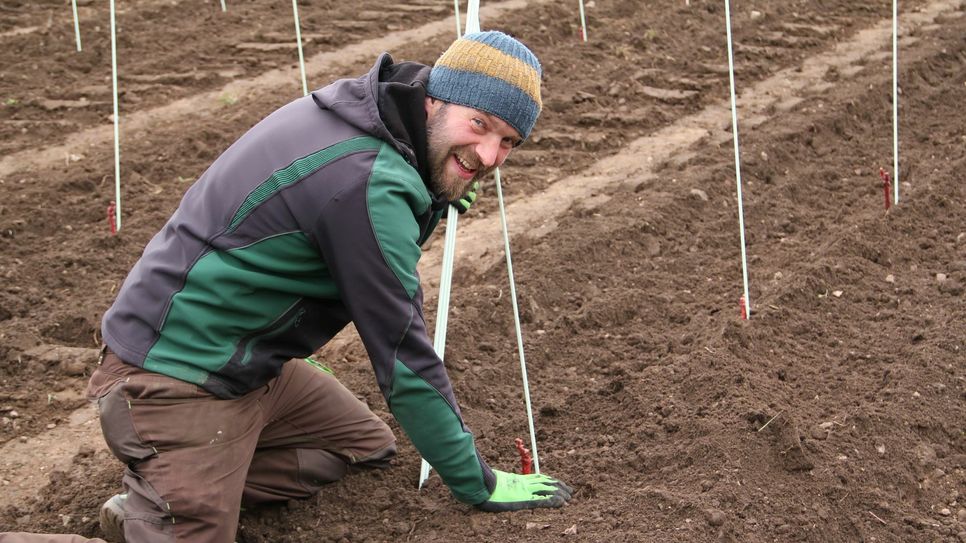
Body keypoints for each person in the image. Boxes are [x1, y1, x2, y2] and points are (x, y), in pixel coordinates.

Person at [0, 30, 572, 543]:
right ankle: (164, 510)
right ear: (435, 98)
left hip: (245, 362)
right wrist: (479, 482)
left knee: (357, 446)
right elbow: (402, 357)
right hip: (170, 377)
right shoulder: (367, 184)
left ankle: (183, 491)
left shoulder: (374, 113)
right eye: (480, 126)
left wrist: (442, 178)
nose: (491, 155)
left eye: (509, 142)